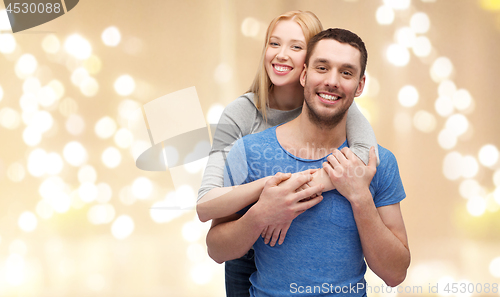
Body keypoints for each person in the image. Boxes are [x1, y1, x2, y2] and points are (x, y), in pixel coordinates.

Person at [206, 28, 410, 296]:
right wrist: (259, 215)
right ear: (304, 75)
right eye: (322, 68)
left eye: (346, 73)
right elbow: (216, 250)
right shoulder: (249, 152)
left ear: (360, 86)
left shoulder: (378, 163)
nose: (332, 81)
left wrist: (360, 196)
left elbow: (395, 273)